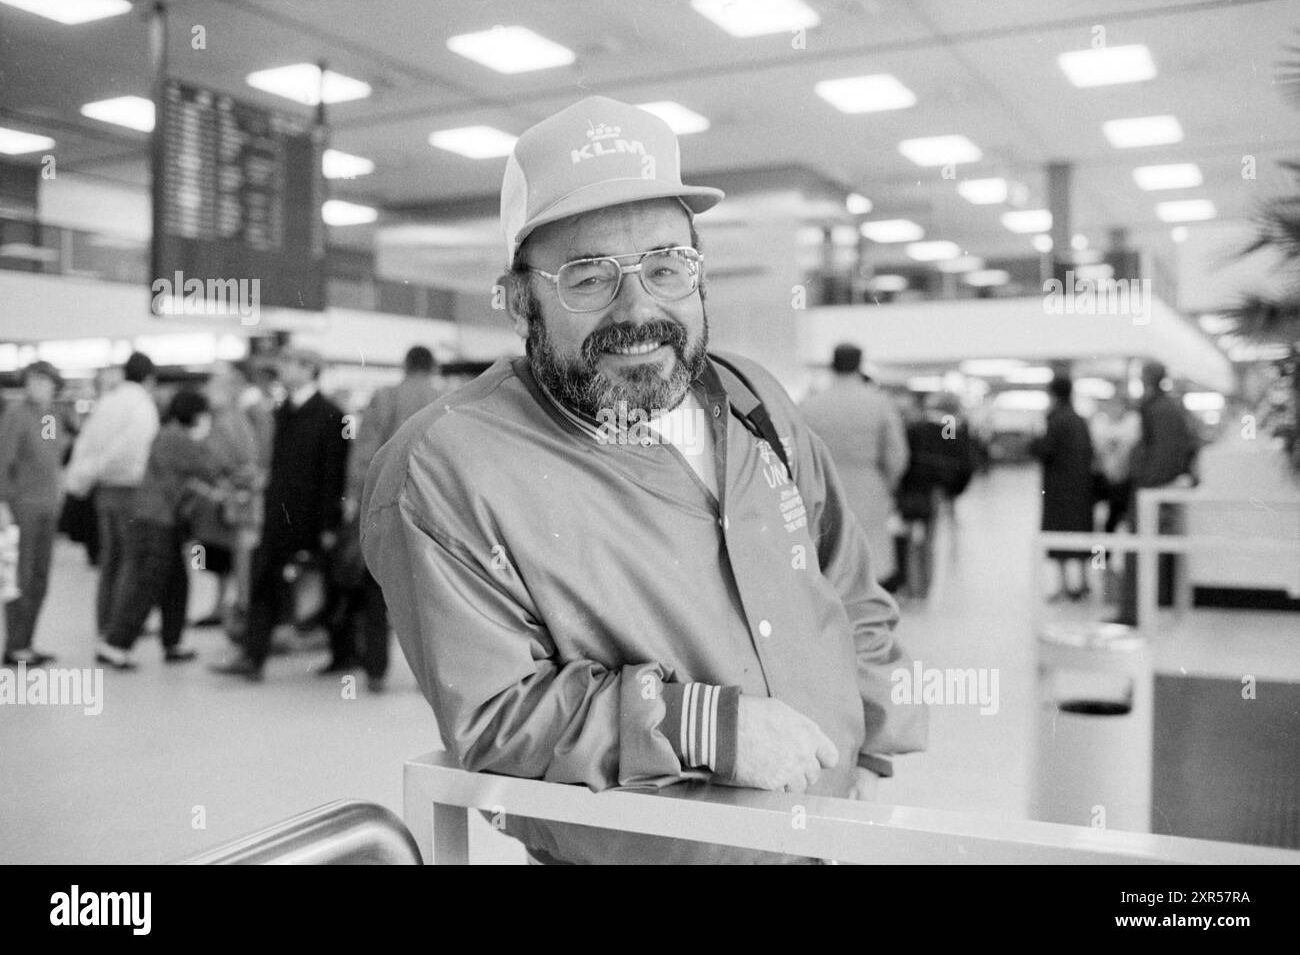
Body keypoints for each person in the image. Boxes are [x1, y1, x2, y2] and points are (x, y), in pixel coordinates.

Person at [361, 96, 927, 865]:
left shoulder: (750, 399)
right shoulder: (451, 469)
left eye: (666, 267)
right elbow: (496, 715)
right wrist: (703, 727)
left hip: (825, 842)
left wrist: (866, 742)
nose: (640, 309)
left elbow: (846, 585)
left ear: (698, 274)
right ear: (521, 297)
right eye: (589, 278)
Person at [212, 346, 348, 681]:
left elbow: (334, 474)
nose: (282, 370)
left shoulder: (331, 415)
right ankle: (252, 656)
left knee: (328, 586)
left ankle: (345, 653)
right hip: (278, 518)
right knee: (263, 581)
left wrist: (329, 524)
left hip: (314, 519)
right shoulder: (283, 411)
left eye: (289, 364)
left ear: (309, 368)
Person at [327, 345, 440, 692]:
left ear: (405, 366)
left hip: (389, 504)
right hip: (435, 508)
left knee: (378, 587)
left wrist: (356, 500)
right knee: (433, 591)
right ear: (432, 367)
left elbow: (365, 454)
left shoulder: (386, 397)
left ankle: (376, 669)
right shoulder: (448, 397)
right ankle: (433, 675)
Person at [96, 389, 220, 669]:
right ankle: (115, 643)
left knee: (176, 581)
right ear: (195, 414)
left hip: (161, 518)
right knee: (148, 583)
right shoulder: (175, 437)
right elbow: (208, 466)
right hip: (155, 520)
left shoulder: (169, 434)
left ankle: (173, 642)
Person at [65, 352, 160, 641]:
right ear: (149, 378)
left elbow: (87, 444)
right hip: (132, 490)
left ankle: (105, 622)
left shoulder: (107, 402)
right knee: (132, 560)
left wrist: (80, 479)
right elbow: (135, 449)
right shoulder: (142, 405)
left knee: (110, 559)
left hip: (103, 489)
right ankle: (122, 624)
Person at [800, 343, 909, 589]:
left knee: (828, 552)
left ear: (832, 365)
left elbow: (798, 451)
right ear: (860, 365)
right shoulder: (879, 402)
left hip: (823, 486)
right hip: (868, 484)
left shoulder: (810, 404)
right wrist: (888, 484)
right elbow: (896, 454)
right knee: (869, 556)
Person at [1113, 360, 1200, 625]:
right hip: (1154, 487)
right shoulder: (1165, 407)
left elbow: (1164, 454)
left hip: (1150, 491)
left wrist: (1145, 480)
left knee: (1140, 551)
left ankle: (1133, 612)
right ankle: (1136, 609)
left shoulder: (1158, 409)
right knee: (1144, 551)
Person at [0, 361, 71, 666]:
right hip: (21, 508)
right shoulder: (16, 415)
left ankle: (27, 641)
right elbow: (4, 461)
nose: (38, 387)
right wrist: (2, 503)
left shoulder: (50, 417)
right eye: (33, 381)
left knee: (40, 577)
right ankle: (16, 645)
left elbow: (52, 457)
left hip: (47, 507)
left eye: (44, 381)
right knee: (21, 576)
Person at [191, 363, 261, 629]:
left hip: (234, 506)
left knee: (240, 561)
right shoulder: (220, 420)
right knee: (224, 558)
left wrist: (224, 483)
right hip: (224, 504)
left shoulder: (232, 421)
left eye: (214, 386)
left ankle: (242, 614)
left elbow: (246, 463)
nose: (207, 391)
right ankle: (226, 608)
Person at [895, 391, 977, 600]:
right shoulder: (948, 426)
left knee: (913, 538)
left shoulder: (917, 427)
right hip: (936, 491)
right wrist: (953, 488)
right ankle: (922, 588)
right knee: (926, 540)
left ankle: (912, 585)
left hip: (913, 489)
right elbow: (956, 456)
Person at [1031, 375, 1095, 601]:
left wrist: (1035, 436)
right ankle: (1084, 582)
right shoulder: (1079, 420)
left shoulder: (1055, 420)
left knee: (1058, 537)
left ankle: (1064, 585)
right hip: (1081, 488)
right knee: (1081, 535)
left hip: (1058, 489)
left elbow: (1044, 449)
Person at [1089, 397, 1141, 533]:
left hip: (1124, 482)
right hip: (1104, 480)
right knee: (1102, 520)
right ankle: (1102, 553)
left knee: (1119, 520)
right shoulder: (1100, 424)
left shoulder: (1132, 424)